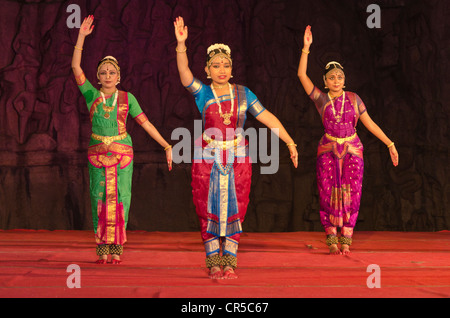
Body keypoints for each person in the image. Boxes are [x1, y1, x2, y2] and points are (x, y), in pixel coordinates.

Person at [174, 17, 298, 279]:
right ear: (207, 71)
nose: (221, 69)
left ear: (232, 69)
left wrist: (289, 141)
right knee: (206, 208)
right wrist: (181, 44)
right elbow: (185, 75)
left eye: (226, 65)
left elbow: (267, 117)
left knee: (235, 207)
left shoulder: (244, 94)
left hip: (238, 158)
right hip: (207, 157)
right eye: (216, 65)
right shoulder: (203, 92)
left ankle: (230, 261)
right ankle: (213, 262)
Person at [71, 16, 173, 264]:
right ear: (98, 77)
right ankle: (101, 247)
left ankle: (116, 246)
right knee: (98, 197)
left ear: (119, 76)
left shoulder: (128, 98)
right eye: (103, 72)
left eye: (112, 72)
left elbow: (145, 123)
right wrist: (82, 36)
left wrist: (166, 145)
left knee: (121, 196)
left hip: (123, 153)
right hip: (97, 152)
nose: (108, 75)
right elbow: (75, 68)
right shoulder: (91, 95)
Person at [297, 25, 399, 255]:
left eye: (340, 77)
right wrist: (306, 48)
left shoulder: (354, 99)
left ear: (345, 80)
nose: (336, 80)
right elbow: (302, 75)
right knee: (327, 191)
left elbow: (369, 123)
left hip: (352, 149)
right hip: (328, 149)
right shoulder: (321, 99)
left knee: (351, 192)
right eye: (331, 77)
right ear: (325, 81)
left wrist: (389, 143)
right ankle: (331, 235)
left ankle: (347, 237)